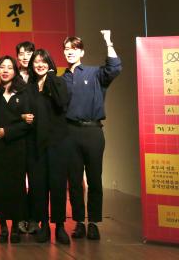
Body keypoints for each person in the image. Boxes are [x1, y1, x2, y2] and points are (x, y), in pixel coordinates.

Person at [63, 30, 122, 240]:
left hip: (93, 131)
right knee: (75, 180)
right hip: (70, 132)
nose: (70, 52)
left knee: (95, 179)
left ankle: (94, 222)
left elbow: (115, 67)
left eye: (74, 49)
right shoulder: (62, 79)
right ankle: (79, 222)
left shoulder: (94, 73)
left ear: (82, 52)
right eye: (67, 49)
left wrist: (108, 41)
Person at [25, 49, 71, 245]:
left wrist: (50, 77)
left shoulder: (58, 81)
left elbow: (62, 102)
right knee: (38, 187)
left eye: (44, 61)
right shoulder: (29, 87)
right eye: (36, 62)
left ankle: (59, 226)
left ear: (50, 63)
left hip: (57, 143)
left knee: (58, 186)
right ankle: (43, 224)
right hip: (35, 143)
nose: (40, 64)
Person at [0, 56, 31, 244]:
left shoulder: (24, 91)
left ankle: (15, 227)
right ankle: (3, 227)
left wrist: (8, 131)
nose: (5, 70)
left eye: (9, 67)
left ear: (15, 71)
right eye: (1, 67)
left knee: (16, 186)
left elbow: (29, 122)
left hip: (16, 145)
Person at [15, 40, 38, 234]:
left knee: (36, 179)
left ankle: (34, 218)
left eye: (28, 53)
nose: (24, 56)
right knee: (17, 179)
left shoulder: (38, 76)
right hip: (16, 134)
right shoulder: (11, 76)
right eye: (21, 53)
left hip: (36, 134)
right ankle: (19, 217)